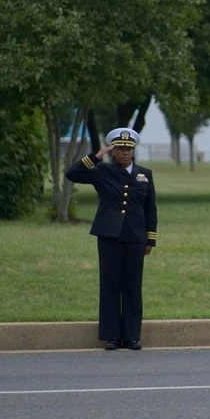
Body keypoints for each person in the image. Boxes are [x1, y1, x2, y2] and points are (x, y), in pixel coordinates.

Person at [65, 128, 158, 351]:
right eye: (120, 149)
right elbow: (72, 174)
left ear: (133, 150)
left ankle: (132, 336)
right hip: (109, 235)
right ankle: (112, 336)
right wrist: (95, 157)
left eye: (129, 149)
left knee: (133, 286)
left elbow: (150, 209)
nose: (125, 153)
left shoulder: (145, 175)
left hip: (135, 237)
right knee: (110, 285)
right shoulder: (102, 171)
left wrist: (150, 239)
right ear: (113, 151)